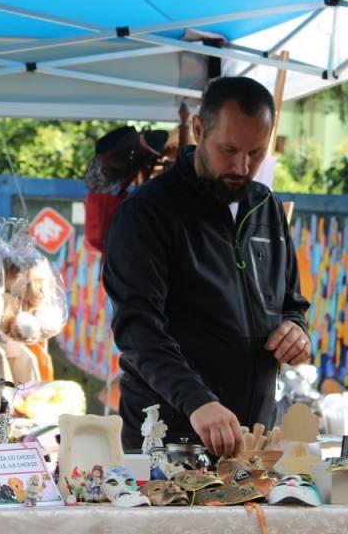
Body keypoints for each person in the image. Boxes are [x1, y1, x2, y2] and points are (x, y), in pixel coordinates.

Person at [102, 76, 310, 459]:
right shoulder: (147, 214)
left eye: (256, 153)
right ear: (199, 130)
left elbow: (291, 304)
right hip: (170, 436)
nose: (242, 166)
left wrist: (296, 330)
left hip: (252, 440)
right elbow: (138, 328)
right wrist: (197, 400)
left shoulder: (266, 208)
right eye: (229, 150)